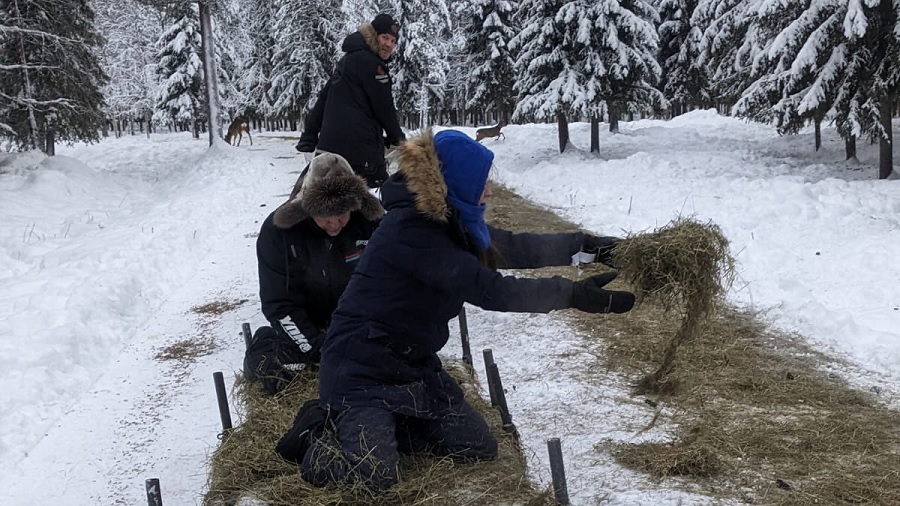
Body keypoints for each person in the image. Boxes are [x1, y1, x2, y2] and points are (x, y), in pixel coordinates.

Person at [275, 129, 634, 490]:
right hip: (360, 368)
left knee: (476, 446)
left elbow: (512, 245)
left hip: (410, 365)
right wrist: (571, 294)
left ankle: (388, 421)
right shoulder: (411, 232)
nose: (488, 190)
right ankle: (317, 436)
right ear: (454, 182)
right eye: (482, 182)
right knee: (374, 476)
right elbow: (489, 290)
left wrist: (584, 247)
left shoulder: (449, 223)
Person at [244, 153, 384, 395]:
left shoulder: (371, 225)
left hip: (357, 324)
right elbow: (279, 303)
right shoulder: (278, 233)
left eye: (342, 216)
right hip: (307, 328)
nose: (334, 225)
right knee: (277, 371)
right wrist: (321, 349)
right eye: (324, 218)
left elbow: (386, 286)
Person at [295, 13, 406, 188]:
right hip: (360, 156)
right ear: (374, 35)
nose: (389, 45)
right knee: (377, 202)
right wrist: (399, 139)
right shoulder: (373, 65)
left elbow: (324, 98)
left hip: (328, 151)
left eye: (393, 41)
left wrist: (309, 135)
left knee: (326, 198)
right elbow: (383, 107)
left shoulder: (347, 60)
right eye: (385, 38)